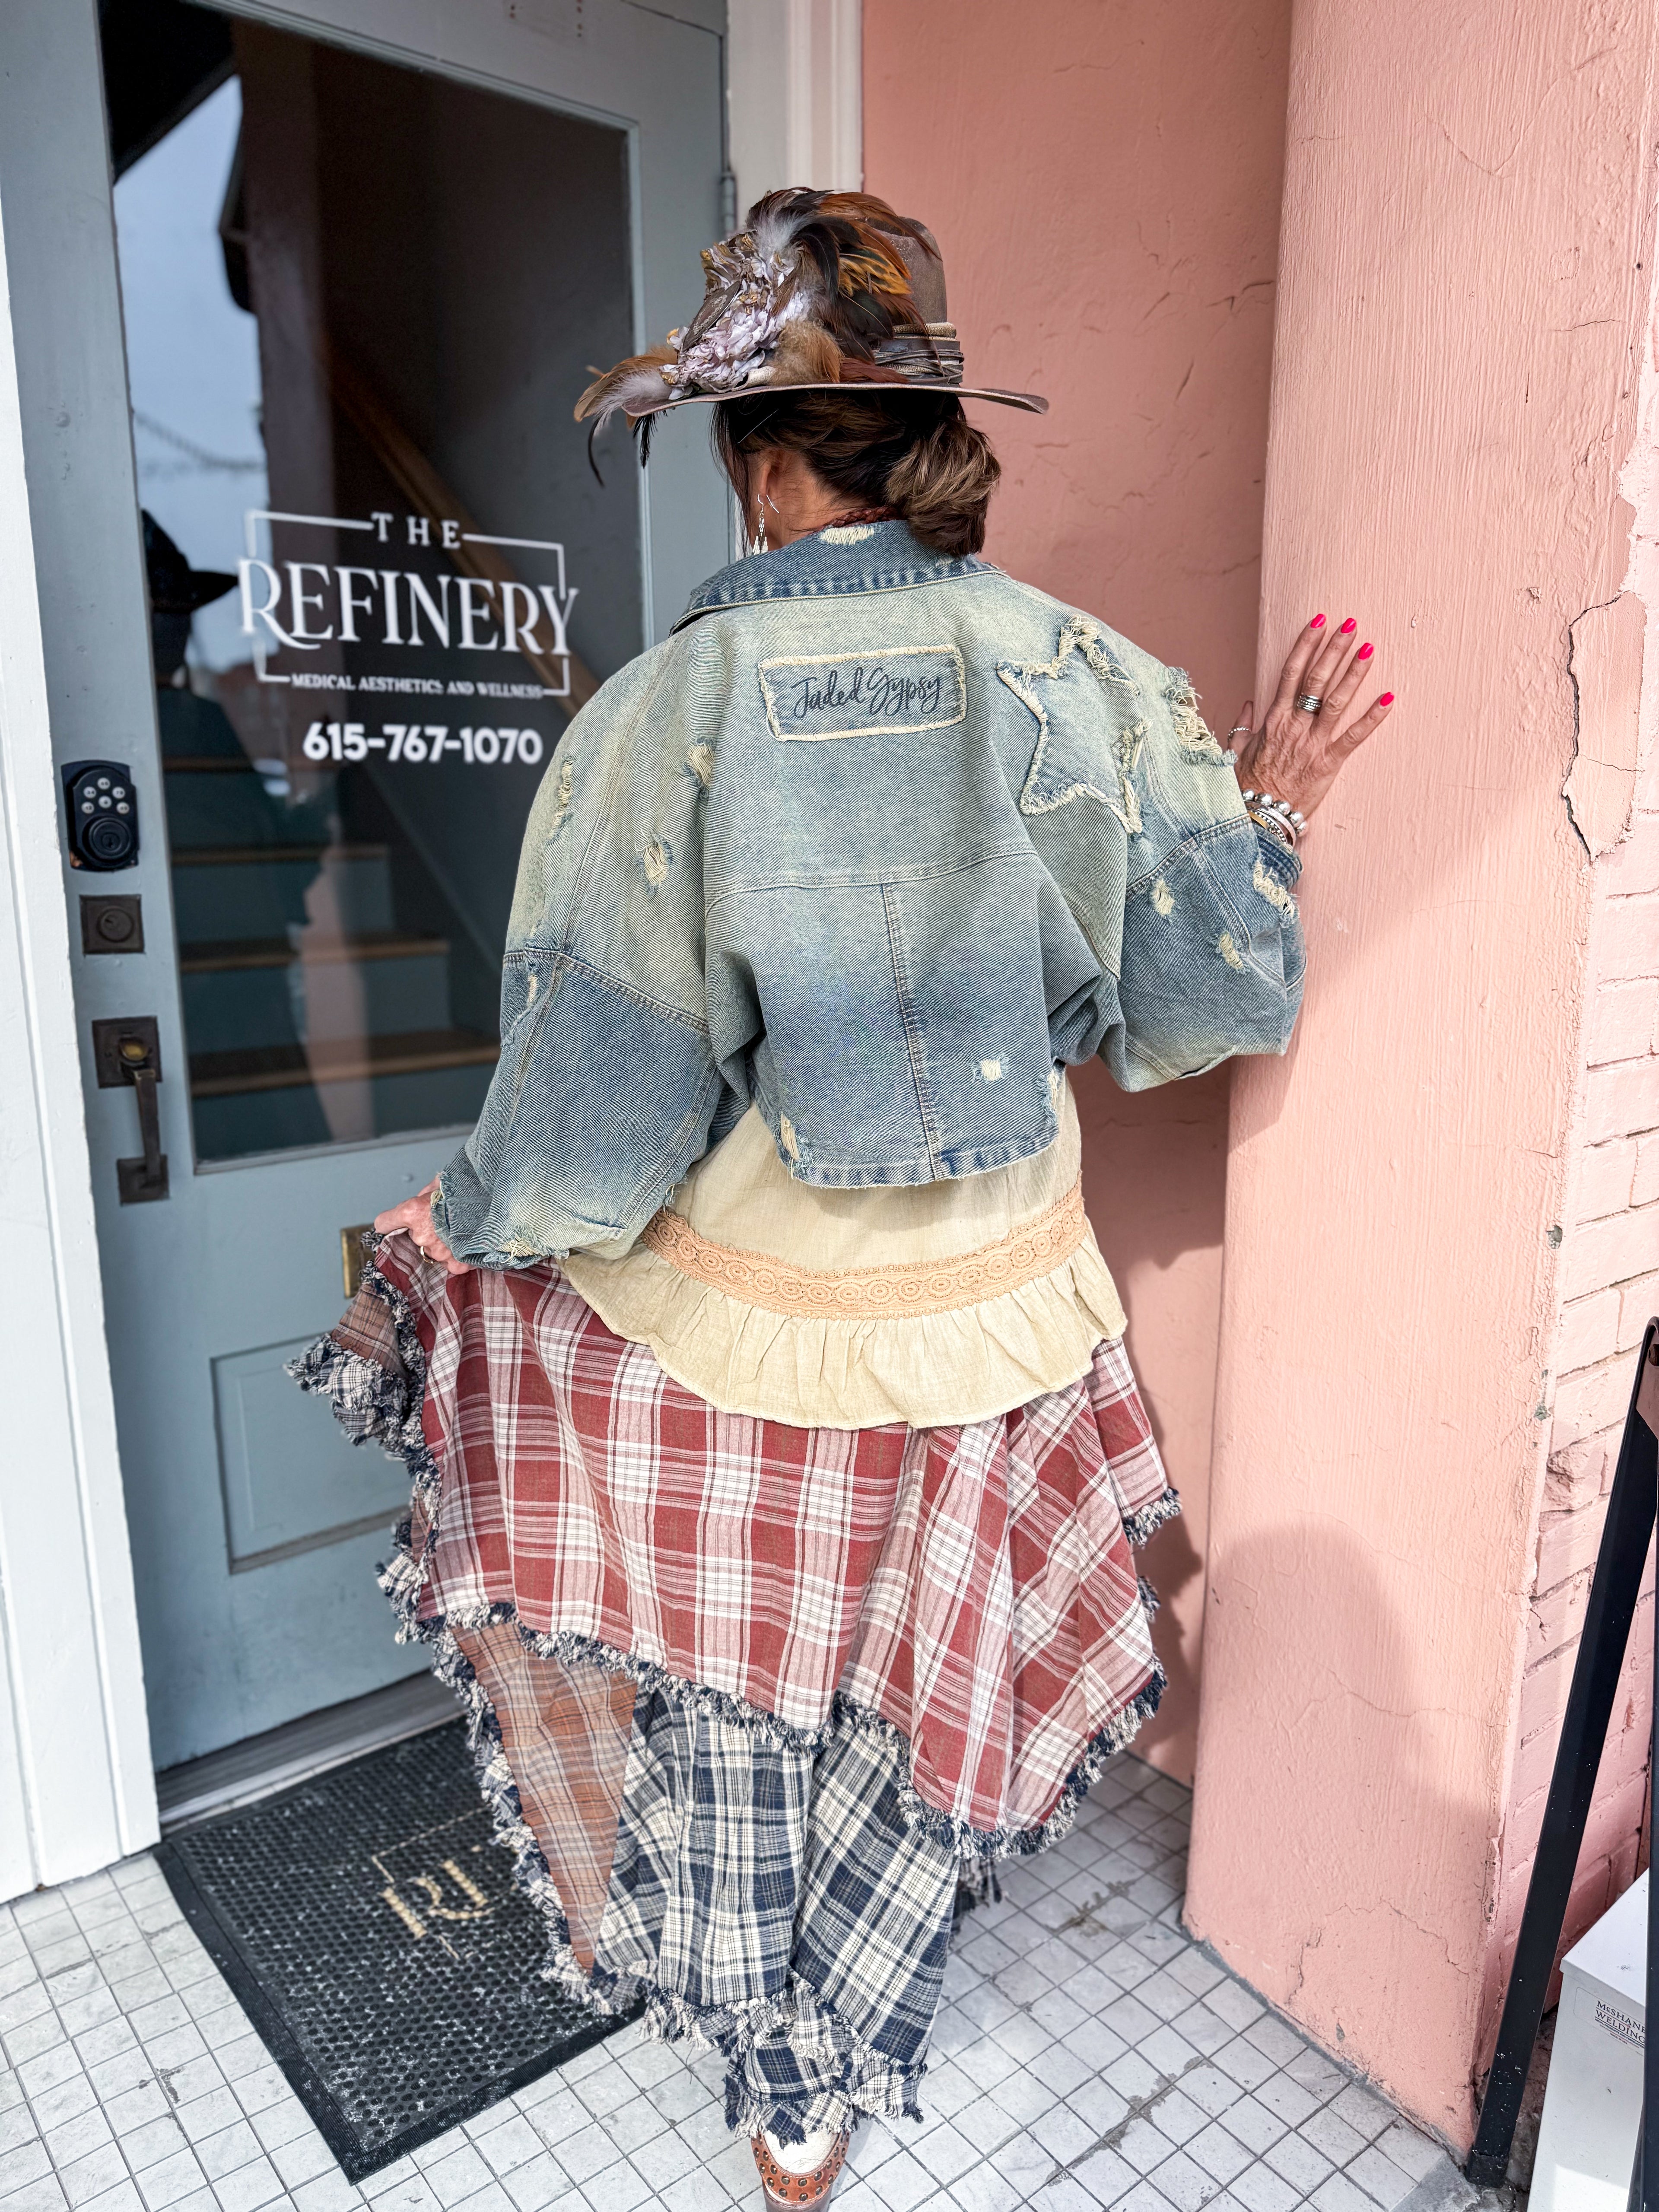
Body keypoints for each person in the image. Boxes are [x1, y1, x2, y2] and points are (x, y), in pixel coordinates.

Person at [296, 190, 1392, 2206]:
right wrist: (1270, 806)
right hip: (1002, 1312)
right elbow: (1208, 991)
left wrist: (466, 1222)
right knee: (919, 1686)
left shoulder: (668, 713)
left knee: (734, 1712)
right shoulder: (1089, 676)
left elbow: (597, 1091)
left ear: (765, 459)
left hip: (752, 1327)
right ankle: (861, 2021)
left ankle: (786, 2085)